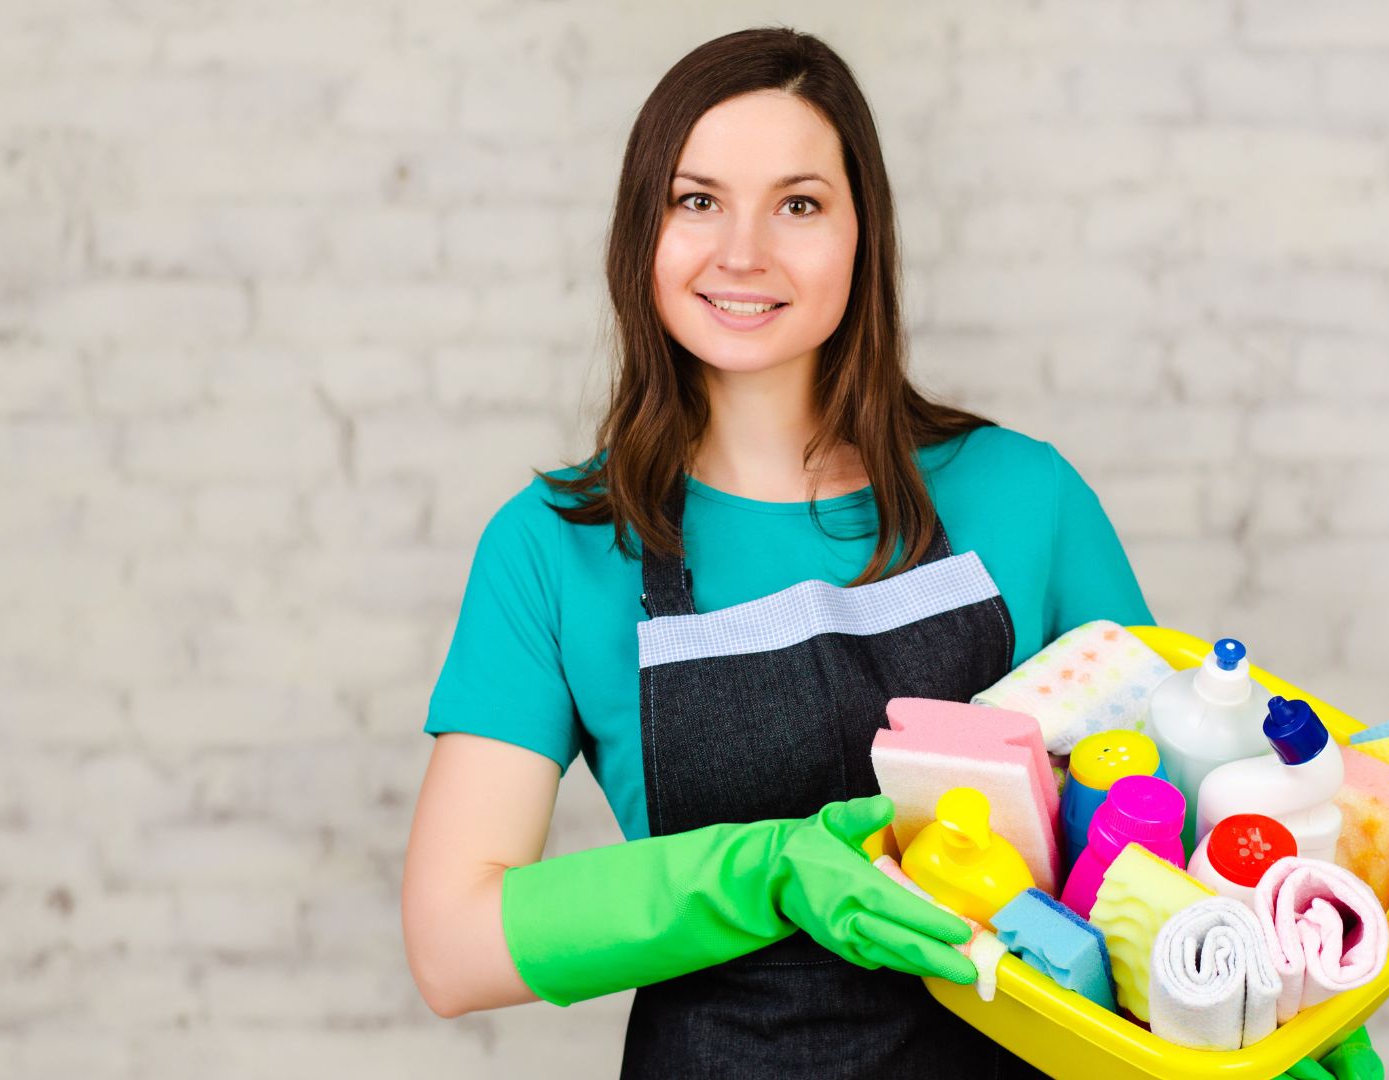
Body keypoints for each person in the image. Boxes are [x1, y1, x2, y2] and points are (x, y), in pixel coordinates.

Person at [402, 26, 1158, 1079]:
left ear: (862, 234)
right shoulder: (557, 548)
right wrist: (765, 873)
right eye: (696, 200)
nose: (743, 253)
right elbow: (452, 944)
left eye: (798, 204)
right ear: (642, 234)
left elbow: (1164, 833)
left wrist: (1259, 1007)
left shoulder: (1022, 496)